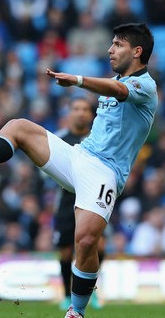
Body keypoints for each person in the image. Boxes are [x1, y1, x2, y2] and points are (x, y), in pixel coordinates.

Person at [0, 22, 157, 318]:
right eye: (111, 43)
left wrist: (76, 79)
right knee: (18, 126)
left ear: (137, 51)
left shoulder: (146, 85)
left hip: (106, 172)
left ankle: (76, 310)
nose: (110, 49)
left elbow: (118, 89)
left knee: (86, 242)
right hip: (79, 156)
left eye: (117, 45)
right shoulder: (114, 81)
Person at [51, 96, 105, 310]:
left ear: (91, 115)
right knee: (65, 251)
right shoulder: (59, 138)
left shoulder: (98, 138)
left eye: (84, 109)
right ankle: (66, 295)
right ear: (69, 113)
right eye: (76, 108)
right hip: (66, 199)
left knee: (97, 246)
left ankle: (89, 291)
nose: (81, 112)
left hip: (94, 196)